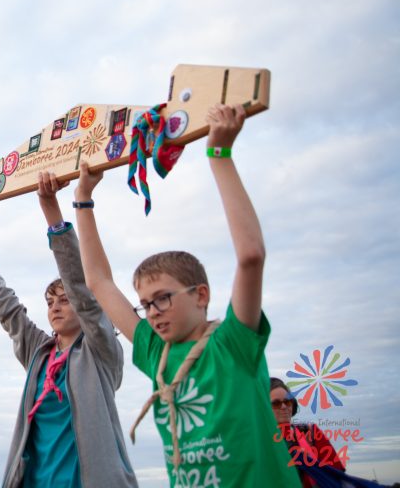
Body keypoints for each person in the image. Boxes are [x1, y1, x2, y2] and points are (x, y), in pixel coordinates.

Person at [72, 103, 300, 486]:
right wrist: (82, 197)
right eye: (145, 305)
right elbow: (98, 282)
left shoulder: (234, 344)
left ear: (201, 295)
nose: (152, 312)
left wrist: (219, 154)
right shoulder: (154, 352)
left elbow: (250, 256)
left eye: (162, 298)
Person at [0, 171, 138, 488]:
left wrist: (50, 210)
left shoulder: (100, 352)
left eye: (64, 300)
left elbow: (81, 288)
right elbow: (2, 303)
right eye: (49, 301)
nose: (55, 306)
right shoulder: (38, 354)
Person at [270, 377, 346, 487]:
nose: (284, 406)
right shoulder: (257, 441)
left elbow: (336, 475)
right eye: (276, 403)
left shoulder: (311, 432)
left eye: (287, 402)